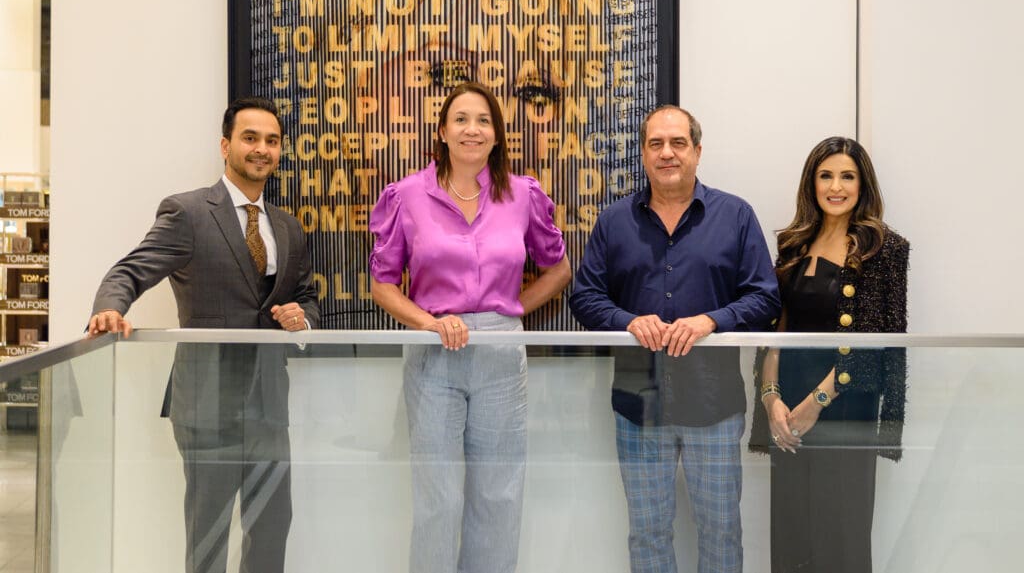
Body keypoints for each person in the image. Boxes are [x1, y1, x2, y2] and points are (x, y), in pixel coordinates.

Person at [87, 97, 320, 573]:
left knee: (273, 527)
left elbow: (307, 297)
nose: (262, 149)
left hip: (270, 405)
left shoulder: (290, 228)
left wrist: (304, 319)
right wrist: (111, 309)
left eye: (272, 141)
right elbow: (130, 271)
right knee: (209, 536)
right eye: (250, 138)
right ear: (225, 145)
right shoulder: (189, 212)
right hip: (207, 402)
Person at [368, 81, 571, 573]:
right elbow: (382, 283)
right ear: (442, 131)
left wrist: (508, 311)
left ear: (498, 135)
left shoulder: (523, 194)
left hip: (501, 355)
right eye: (460, 119)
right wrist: (429, 322)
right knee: (437, 500)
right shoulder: (407, 195)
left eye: (483, 121)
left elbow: (559, 270)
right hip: (433, 353)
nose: (472, 129)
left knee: (498, 495)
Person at [570, 105, 780, 573]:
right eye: (656, 144)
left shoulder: (736, 215)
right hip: (639, 405)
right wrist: (627, 320)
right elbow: (584, 298)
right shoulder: (614, 221)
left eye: (678, 143)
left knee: (721, 530)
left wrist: (713, 320)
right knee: (647, 534)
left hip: (714, 404)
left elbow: (765, 299)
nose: (667, 153)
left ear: (697, 152)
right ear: (643, 154)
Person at [750, 136, 909, 573]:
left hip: (847, 411)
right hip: (788, 415)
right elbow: (775, 331)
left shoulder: (885, 250)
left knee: (842, 534)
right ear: (811, 183)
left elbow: (879, 340)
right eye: (825, 175)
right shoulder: (792, 245)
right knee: (793, 531)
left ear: (863, 184)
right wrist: (770, 399)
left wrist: (816, 403)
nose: (835, 186)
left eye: (847, 176)